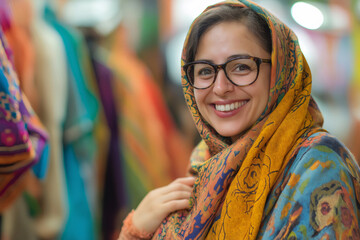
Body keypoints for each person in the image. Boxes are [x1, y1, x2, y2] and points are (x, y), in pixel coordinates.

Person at [118, 0, 360, 239]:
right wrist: (134, 230)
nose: (221, 87)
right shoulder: (205, 161)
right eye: (204, 71)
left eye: (241, 67)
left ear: (279, 71)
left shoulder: (319, 166)